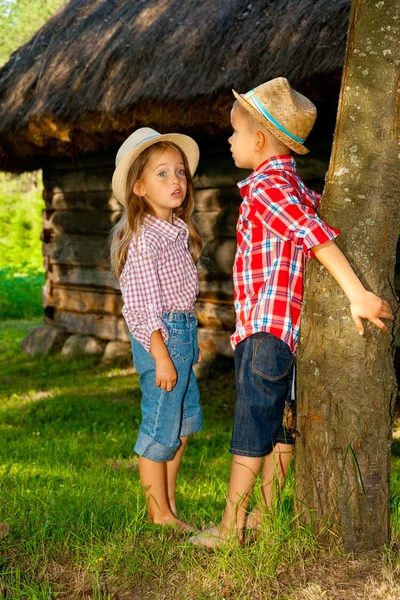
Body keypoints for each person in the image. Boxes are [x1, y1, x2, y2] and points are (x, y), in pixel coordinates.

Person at [189, 77, 394, 547]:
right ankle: (262, 516)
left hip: (264, 328)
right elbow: (320, 222)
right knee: (281, 423)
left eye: (235, 132)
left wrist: (357, 293)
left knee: (251, 424)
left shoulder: (267, 189)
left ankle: (231, 526)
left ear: (259, 140)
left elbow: (316, 237)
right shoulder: (293, 184)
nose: (229, 139)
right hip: (286, 333)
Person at [110, 127, 203, 530]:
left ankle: (168, 502)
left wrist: (186, 345)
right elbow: (141, 307)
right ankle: (157, 513)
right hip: (160, 338)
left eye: (179, 172)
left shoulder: (175, 233)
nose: (176, 181)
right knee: (161, 427)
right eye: (162, 174)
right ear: (139, 188)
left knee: (182, 424)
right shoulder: (146, 238)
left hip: (180, 335)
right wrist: (162, 356)